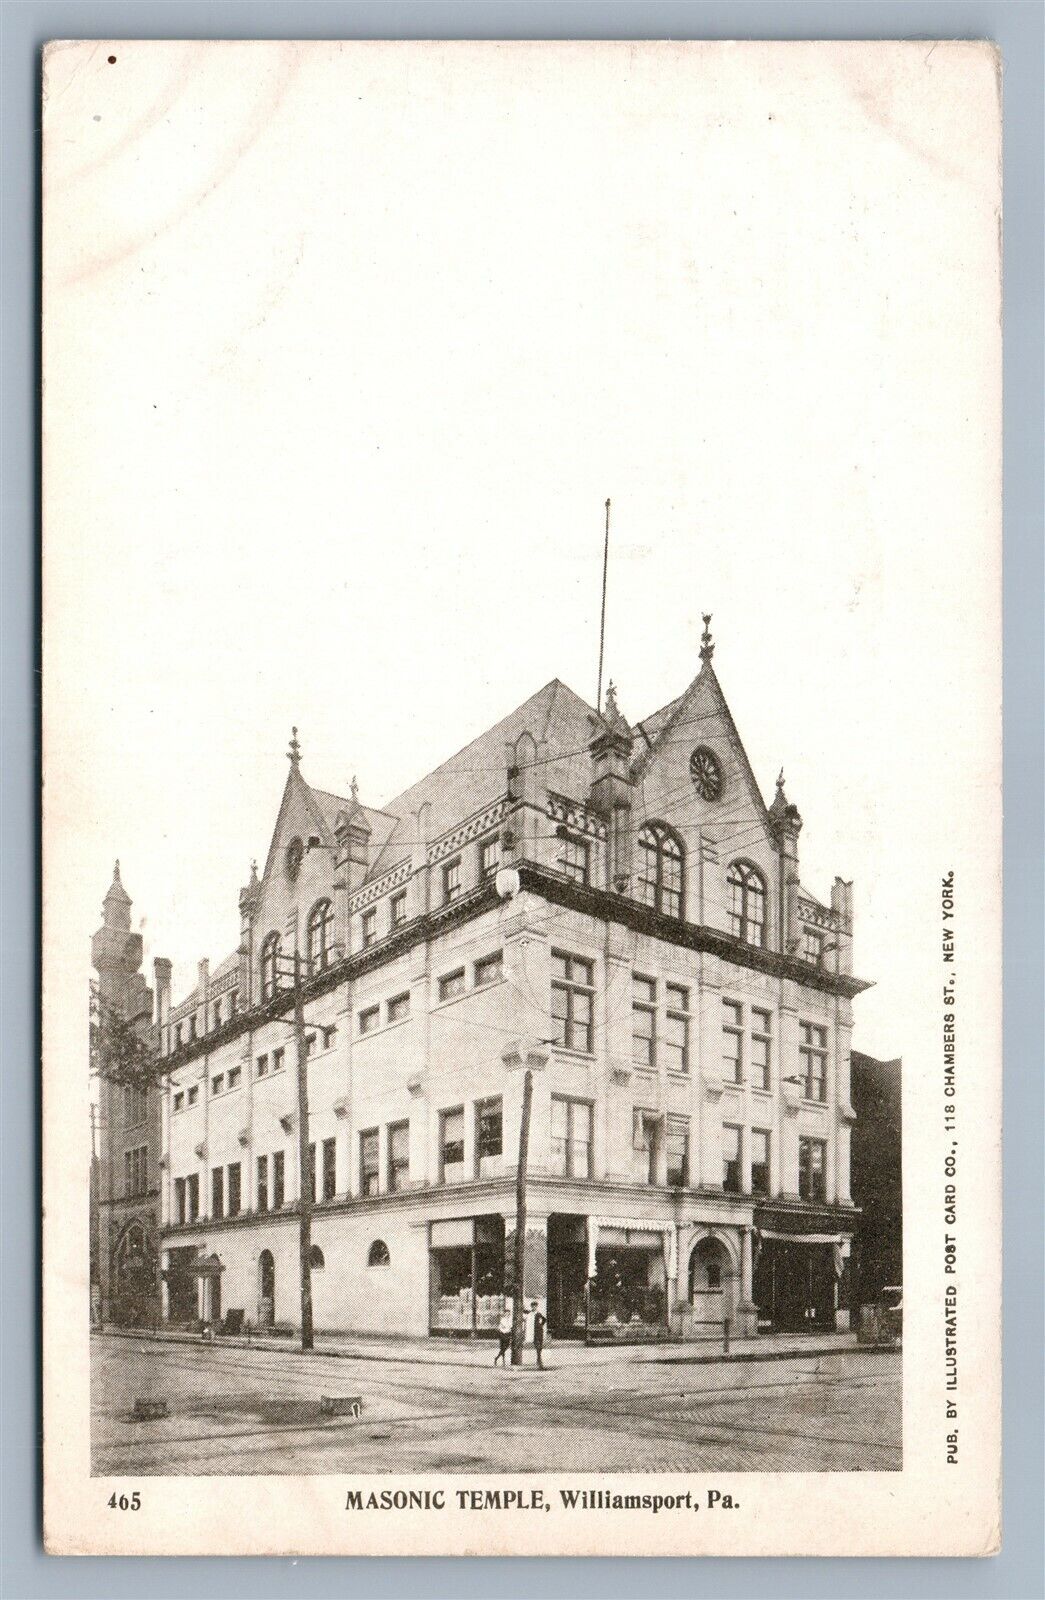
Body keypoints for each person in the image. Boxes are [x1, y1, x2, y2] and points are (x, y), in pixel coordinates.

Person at [531, 1302, 547, 1369]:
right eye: (533, 1306)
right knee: (537, 1346)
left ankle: (538, 1359)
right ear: (531, 1307)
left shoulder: (538, 1313)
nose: (534, 1307)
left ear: (537, 1307)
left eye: (535, 1306)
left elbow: (544, 1319)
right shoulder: (530, 1313)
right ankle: (540, 1362)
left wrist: (541, 1325)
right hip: (533, 1331)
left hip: (539, 1331)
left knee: (540, 1347)